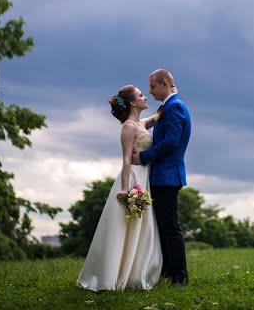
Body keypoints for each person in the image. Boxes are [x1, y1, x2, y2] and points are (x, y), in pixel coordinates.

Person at [76, 84, 163, 291]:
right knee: (125, 228)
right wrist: (125, 189)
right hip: (133, 179)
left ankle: (135, 271)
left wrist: (165, 107)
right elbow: (125, 160)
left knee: (141, 229)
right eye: (141, 95)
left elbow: (154, 118)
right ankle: (113, 275)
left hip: (145, 177)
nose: (145, 97)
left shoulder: (140, 123)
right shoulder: (128, 127)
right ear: (133, 102)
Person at [132, 68, 192, 286]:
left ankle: (180, 276)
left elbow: (171, 142)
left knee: (170, 227)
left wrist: (144, 157)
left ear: (164, 83)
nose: (150, 91)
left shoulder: (174, 107)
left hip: (167, 175)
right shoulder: (167, 107)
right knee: (163, 226)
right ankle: (169, 271)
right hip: (161, 175)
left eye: (152, 86)